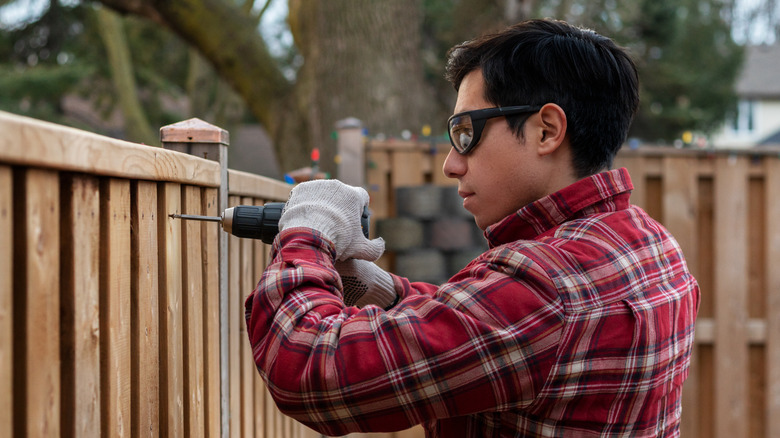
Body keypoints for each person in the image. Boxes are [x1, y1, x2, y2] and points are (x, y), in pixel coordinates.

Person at [245, 19, 699, 437]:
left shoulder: (545, 288)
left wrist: (308, 228)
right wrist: (389, 294)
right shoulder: (651, 244)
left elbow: (303, 366)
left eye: (465, 132)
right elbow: (491, 323)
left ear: (546, 130)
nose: (451, 164)